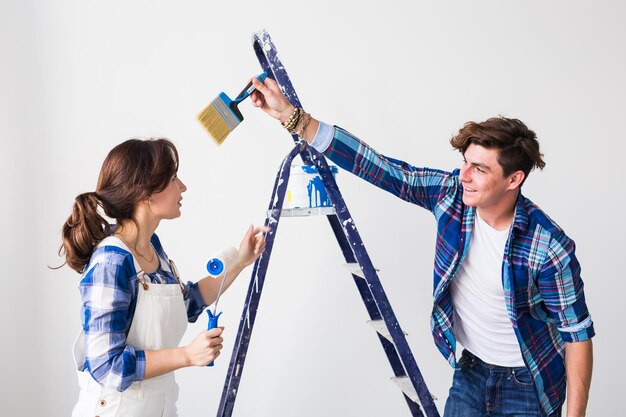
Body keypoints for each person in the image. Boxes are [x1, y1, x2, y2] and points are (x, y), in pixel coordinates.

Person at [249, 77, 594, 417]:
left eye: (479, 169)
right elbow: (380, 168)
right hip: (470, 372)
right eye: (465, 163)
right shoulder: (451, 198)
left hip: (528, 385)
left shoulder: (547, 246)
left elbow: (576, 337)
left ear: (513, 179)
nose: (464, 176)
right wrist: (294, 118)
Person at [58, 138, 268, 417]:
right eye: (173, 178)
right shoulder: (112, 261)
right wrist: (186, 355)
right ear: (146, 192)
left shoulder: (151, 247)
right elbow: (106, 365)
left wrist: (240, 262)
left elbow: (186, 303)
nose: (183, 187)